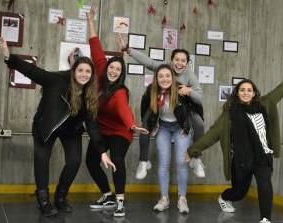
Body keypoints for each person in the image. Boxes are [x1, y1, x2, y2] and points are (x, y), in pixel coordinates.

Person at [0, 37, 113, 217]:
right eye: (80, 70)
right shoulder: (56, 80)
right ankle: (43, 200)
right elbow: (32, 71)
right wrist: (7, 55)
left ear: (92, 74)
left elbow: (92, 126)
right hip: (47, 125)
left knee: (74, 161)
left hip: (71, 130)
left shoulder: (90, 94)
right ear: (74, 71)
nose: (84, 74)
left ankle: (60, 196)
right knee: (42, 159)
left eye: (87, 72)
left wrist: (103, 152)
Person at [186, 73, 283, 223]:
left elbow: (278, 92)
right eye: (242, 90)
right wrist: (193, 150)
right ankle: (224, 197)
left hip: (262, 155)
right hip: (241, 160)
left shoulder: (265, 104)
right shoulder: (229, 114)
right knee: (239, 192)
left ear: (254, 93)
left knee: (265, 184)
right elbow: (212, 134)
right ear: (237, 93)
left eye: (249, 90)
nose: (246, 93)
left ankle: (266, 219)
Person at [86, 8, 148, 217]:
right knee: (91, 161)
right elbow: (95, 46)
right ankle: (107, 195)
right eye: (112, 68)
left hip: (121, 131)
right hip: (102, 129)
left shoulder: (120, 92)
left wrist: (132, 125)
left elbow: (124, 110)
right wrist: (90, 20)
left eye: (118, 70)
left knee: (117, 160)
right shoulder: (102, 72)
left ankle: (120, 201)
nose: (113, 71)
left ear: (121, 75)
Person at [117, 34, 206, 179]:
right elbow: (148, 62)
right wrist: (128, 50)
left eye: (183, 61)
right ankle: (143, 161)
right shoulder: (163, 69)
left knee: (199, 123)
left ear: (187, 63)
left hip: (183, 108)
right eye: (176, 60)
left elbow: (200, 98)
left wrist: (189, 91)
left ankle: (196, 158)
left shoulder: (189, 75)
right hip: (160, 107)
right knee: (145, 125)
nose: (179, 63)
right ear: (171, 61)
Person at [144, 64, 194, 214]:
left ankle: (182, 199)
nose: (164, 79)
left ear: (173, 78)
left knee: (181, 162)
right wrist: (150, 127)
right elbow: (145, 112)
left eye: (167, 76)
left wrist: (187, 127)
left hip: (180, 128)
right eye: (161, 76)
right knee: (163, 163)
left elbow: (194, 111)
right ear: (156, 78)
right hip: (163, 128)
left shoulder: (181, 91)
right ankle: (164, 198)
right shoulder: (151, 91)